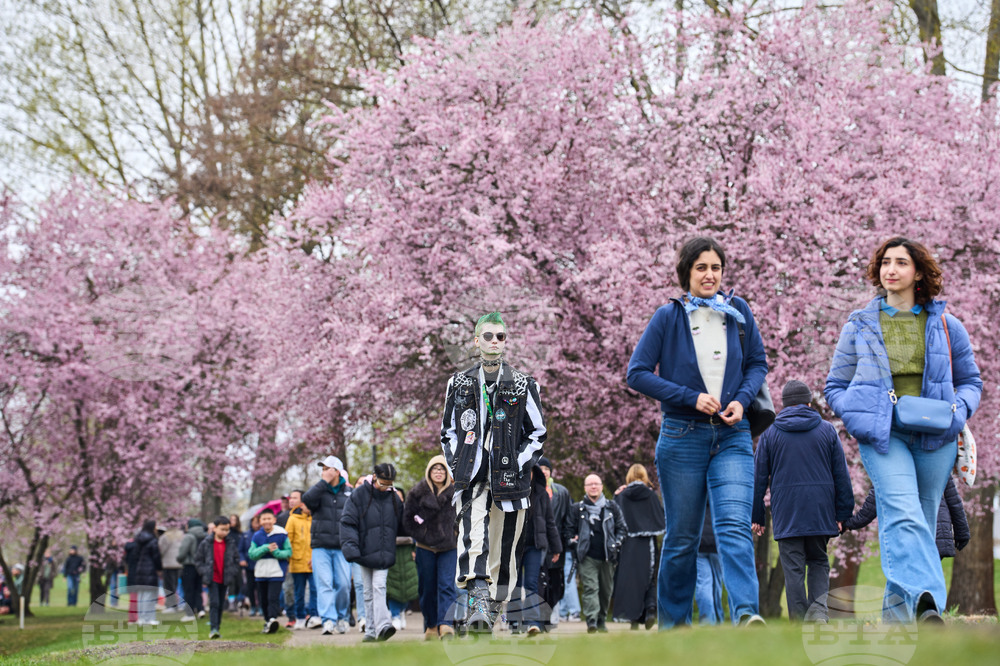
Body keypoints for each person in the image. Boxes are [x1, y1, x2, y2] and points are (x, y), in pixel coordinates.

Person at [826, 236, 982, 623]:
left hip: (936, 436)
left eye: (900, 263)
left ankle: (901, 620)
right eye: (885, 263)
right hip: (883, 436)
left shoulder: (947, 324)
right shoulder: (860, 324)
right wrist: (857, 415)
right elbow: (834, 386)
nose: (890, 270)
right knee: (903, 511)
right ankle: (930, 605)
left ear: (918, 273)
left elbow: (971, 381)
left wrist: (957, 412)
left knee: (923, 521)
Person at [627, 236, 768, 628]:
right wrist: (691, 397)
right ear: (686, 272)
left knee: (734, 527)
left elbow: (758, 363)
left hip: (733, 435)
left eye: (716, 267)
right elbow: (636, 373)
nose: (710, 275)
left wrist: (741, 398)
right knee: (683, 537)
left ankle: (746, 614)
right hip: (681, 436)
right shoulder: (667, 317)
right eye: (701, 267)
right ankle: (673, 625)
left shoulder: (737, 311)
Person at [441, 311, 546, 633]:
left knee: (503, 553)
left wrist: (517, 463)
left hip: (511, 482)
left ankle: (488, 616)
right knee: (473, 540)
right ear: (476, 340)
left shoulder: (524, 383)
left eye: (500, 336)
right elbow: (448, 432)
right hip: (471, 477)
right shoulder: (458, 382)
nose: (495, 342)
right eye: (488, 336)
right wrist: (458, 463)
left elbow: (538, 433)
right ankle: (477, 603)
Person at [752, 380, 854, 622]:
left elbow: (758, 478)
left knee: (793, 568)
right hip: (820, 510)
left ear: (784, 405)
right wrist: (843, 514)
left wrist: (756, 516)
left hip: (787, 513)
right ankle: (818, 615)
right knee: (819, 561)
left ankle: (799, 622)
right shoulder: (827, 431)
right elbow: (842, 475)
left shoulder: (770, 434)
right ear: (810, 403)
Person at [340, 463, 405, 642]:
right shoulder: (358, 495)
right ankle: (370, 631)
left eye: (389, 484)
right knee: (367, 592)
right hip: (363, 552)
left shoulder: (394, 498)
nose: (386, 487)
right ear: (374, 477)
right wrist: (351, 549)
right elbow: (348, 523)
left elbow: (402, 524)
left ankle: (383, 625)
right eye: (383, 483)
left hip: (384, 553)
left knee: (379, 587)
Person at [842, 476, 970, 560]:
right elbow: (954, 501)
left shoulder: (890, 463)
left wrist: (847, 523)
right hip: (935, 534)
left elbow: (871, 507)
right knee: (930, 583)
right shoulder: (935, 458)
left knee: (906, 587)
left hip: (907, 535)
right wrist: (962, 532)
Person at [403, 454, 458, 641]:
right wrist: (421, 535)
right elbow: (408, 519)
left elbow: (463, 517)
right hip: (425, 547)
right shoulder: (416, 493)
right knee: (427, 589)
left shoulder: (455, 493)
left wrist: (456, 533)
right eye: (435, 469)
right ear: (429, 471)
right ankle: (431, 625)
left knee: (447, 586)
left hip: (449, 547)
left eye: (442, 469)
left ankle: (446, 625)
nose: (438, 472)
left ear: (447, 472)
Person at [564, 474, 626, 633]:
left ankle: (601, 620)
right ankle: (591, 620)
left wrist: (616, 543)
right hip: (586, 556)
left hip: (608, 556)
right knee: (591, 587)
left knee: (606, 591)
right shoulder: (577, 509)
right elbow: (568, 530)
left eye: (596, 484)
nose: (593, 487)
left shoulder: (612, 507)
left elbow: (622, 528)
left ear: (601, 486)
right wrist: (573, 541)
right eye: (590, 484)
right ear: (585, 488)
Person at [302, 454, 353, 635]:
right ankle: (328, 620)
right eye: (322, 469)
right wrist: (323, 482)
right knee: (324, 584)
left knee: (344, 585)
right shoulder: (318, 491)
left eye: (327, 469)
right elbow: (306, 500)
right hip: (320, 546)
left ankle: (341, 617)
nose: (323, 472)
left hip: (342, 547)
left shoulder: (349, 492)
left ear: (337, 471)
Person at [510, 464, 561, 636]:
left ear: (534, 474)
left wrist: (556, 547)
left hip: (535, 546)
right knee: (514, 585)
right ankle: (514, 623)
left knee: (532, 583)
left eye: (529, 472)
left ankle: (532, 622)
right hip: (513, 547)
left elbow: (550, 522)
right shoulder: (510, 492)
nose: (526, 475)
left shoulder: (542, 493)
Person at [612, 464, 665, 630]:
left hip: (628, 543)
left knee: (630, 579)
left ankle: (634, 618)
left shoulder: (622, 496)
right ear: (644, 476)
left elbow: (614, 516)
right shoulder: (650, 495)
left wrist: (615, 496)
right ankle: (650, 608)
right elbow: (660, 518)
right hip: (647, 542)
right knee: (649, 577)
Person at [538, 457, 575, 625]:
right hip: (538, 544)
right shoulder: (532, 491)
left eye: (547, 468)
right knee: (540, 582)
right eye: (541, 468)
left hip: (557, 545)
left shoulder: (562, 492)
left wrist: (565, 543)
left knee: (557, 584)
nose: (544, 471)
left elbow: (568, 521)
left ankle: (551, 609)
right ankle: (542, 616)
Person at [195, 515, 240, 639]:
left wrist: (232, 572)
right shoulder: (206, 543)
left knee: (220, 603)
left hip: (225, 578)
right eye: (222, 529)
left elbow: (236, 560)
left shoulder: (230, 543)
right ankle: (213, 628)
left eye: (227, 530)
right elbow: (198, 560)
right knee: (214, 602)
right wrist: (204, 572)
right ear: (214, 528)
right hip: (212, 577)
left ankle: (217, 627)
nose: (225, 532)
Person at [248, 508, 292, 634]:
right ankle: (268, 621)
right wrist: (265, 548)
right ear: (260, 521)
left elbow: (288, 552)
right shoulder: (256, 536)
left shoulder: (282, 534)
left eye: (269, 519)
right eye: (264, 519)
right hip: (261, 572)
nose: (266, 521)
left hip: (276, 571)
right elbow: (252, 554)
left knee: (273, 597)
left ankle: (273, 618)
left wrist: (277, 552)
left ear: (274, 520)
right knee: (263, 599)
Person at [286, 489, 321, 629]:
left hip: (314, 562)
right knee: (299, 592)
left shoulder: (316, 518)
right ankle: (299, 617)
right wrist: (291, 557)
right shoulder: (292, 519)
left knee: (315, 590)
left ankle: (314, 616)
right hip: (297, 561)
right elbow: (288, 540)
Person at [124, 519, 163, 626]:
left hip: (139, 570)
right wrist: (159, 568)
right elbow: (156, 556)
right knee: (149, 595)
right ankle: (149, 618)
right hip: (150, 570)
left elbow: (134, 556)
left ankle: (141, 618)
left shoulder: (138, 540)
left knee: (141, 595)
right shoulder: (152, 540)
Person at [694, 502, 724, 624]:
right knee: (717, 584)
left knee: (703, 582)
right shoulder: (719, 496)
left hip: (700, 543)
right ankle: (718, 618)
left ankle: (707, 617)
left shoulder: (696, 497)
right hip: (717, 544)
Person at [177, 519, 207, 620]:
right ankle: (200, 609)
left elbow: (182, 552)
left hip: (189, 566)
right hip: (201, 566)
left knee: (188, 590)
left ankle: (189, 613)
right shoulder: (205, 536)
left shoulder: (189, 536)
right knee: (198, 589)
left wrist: (179, 559)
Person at [239, 514, 261, 616]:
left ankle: (261, 606)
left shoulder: (263, 534)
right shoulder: (246, 535)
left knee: (260, 587)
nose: (257, 524)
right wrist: (242, 560)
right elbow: (241, 550)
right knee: (250, 587)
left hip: (261, 566)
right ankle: (253, 606)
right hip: (249, 566)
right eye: (255, 522)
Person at [159, 520, 184, 607]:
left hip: (168, 564)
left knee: (168, 586)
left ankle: (171, 605)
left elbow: (161, 550)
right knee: (175, 584)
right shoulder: (182, 535)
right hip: (179, 564)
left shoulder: (165, 537)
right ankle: (175, 604)